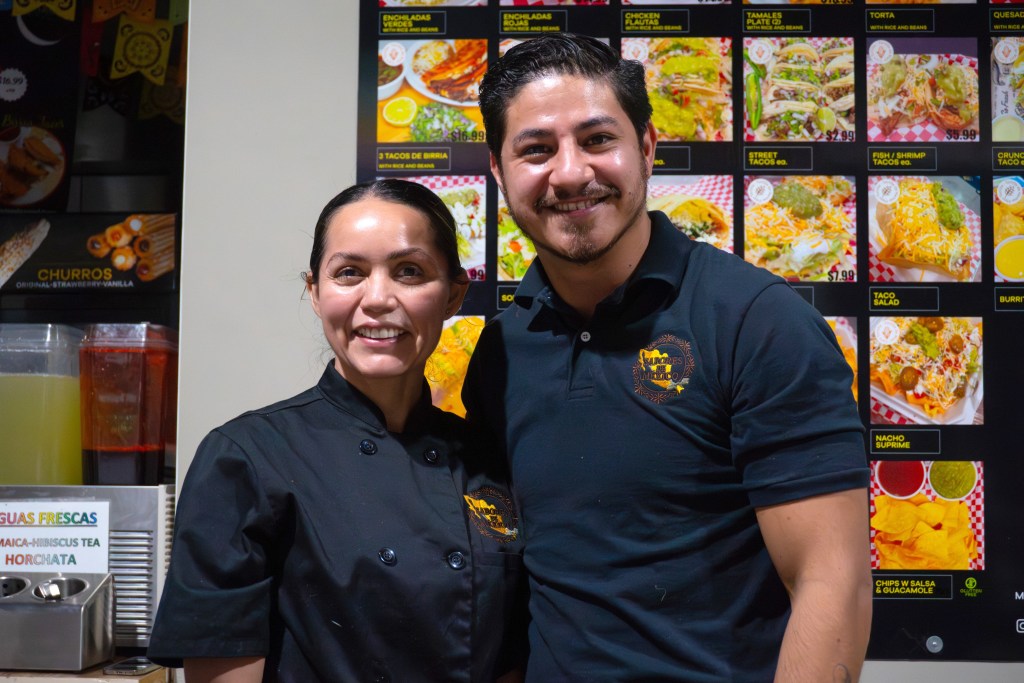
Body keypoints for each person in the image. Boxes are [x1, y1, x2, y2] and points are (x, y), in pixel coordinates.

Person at [463, 33, 872, 682]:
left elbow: (833, 583)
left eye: (597, 139)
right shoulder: (500, 351)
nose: (570, 172)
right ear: (497, 169)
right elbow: (516, 580)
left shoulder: (757, 321)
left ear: (647, 148)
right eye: (536, 149)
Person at [148, 179, 526, 682]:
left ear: (454, 294)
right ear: (315, 292)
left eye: (409, 271)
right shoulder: (246, 459)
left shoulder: (488, 456)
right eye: (349, 273)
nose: (377, 299)